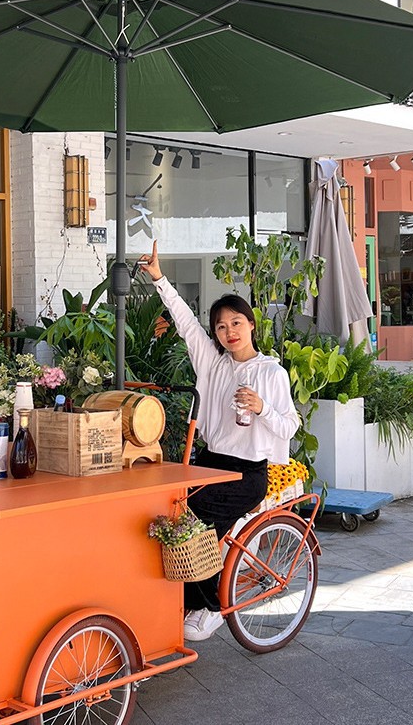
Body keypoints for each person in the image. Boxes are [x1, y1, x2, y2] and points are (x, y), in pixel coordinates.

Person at [140, 241, 299, 642]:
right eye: (222, 327)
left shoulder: (271, 373)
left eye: (236, 323)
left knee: (193, 527)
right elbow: (184, 321)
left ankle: (211, 607)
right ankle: (181, 600)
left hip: (246, 473)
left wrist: (262, 408)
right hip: (209, 462)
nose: (230, 332)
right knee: (169, 516)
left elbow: (289, 427)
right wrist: (159, 278)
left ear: (251, 325)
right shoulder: (213, 364)